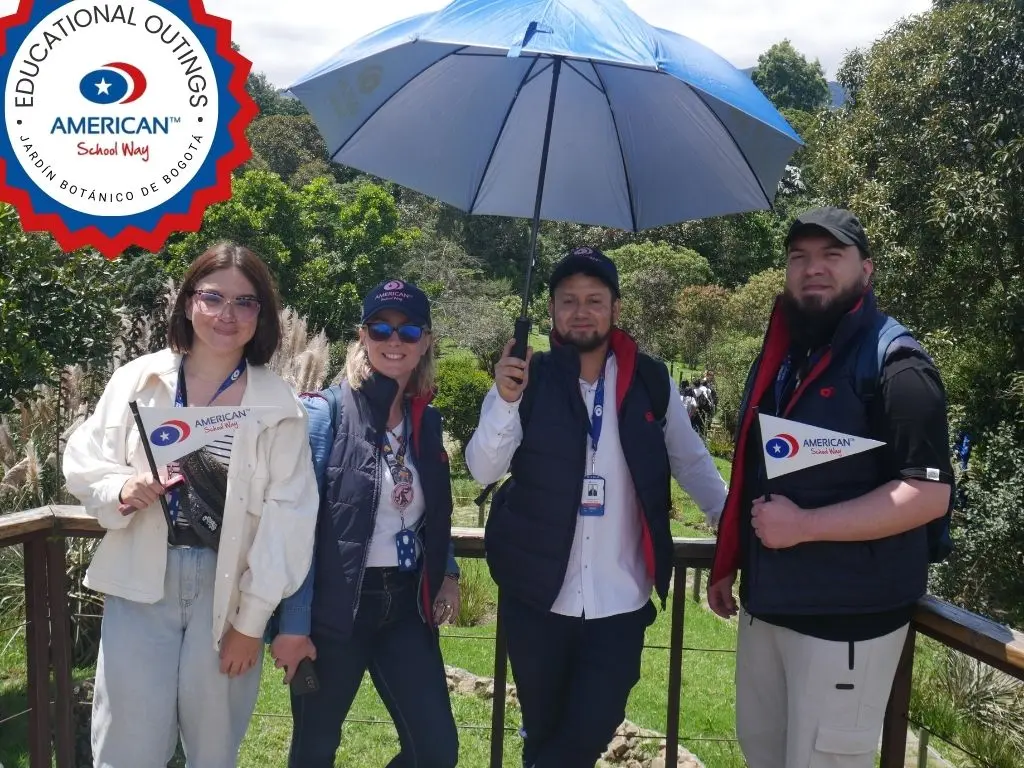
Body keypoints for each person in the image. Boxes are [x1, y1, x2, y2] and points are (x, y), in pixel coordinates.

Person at [707, 208, 954, 768]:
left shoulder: (899, 365)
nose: (812, 269)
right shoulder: (788, 357)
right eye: (799, 257)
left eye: (831, 256)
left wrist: (805, 527)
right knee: (762, 756)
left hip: (846, 627)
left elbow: (929, 495)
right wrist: (732, 557)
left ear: (865, 271)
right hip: (770, 610)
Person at [466, 247, 727, 768]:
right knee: (543, 736)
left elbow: (693, 463)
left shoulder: (650, 381)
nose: (581, 311)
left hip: (619, 604)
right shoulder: (526, 378)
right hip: (538, 601)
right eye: (568, 300)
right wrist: (504, 398)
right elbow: (482, 469)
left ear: (615, 308)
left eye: (594, 299)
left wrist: (734, 531)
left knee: (585, 733)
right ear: (551, 310)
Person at [63, 242, 319, 767]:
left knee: (213, 747)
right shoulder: (141, 380)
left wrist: (251, 623)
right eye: (212, 297)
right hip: (140, 583)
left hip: (226, 595)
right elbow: (85, 458)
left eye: (245, 302)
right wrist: (121, 490)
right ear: (187, 302)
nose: (227, 314)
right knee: (126, 745)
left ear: (260, 315)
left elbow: (289, 518)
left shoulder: (277, 406)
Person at [271, 279, 461, 768]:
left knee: (436, 751)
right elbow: (296, 523)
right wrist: (292, 624)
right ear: (362, 336)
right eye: (380, 327)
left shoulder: (427, 419)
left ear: (425, 342)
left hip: (405, 608)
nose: (393, 340)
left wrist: (450, 572)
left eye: (408, 329)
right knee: (314, 750)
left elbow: (433, 508)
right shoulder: (325, 412)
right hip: (337, 614)